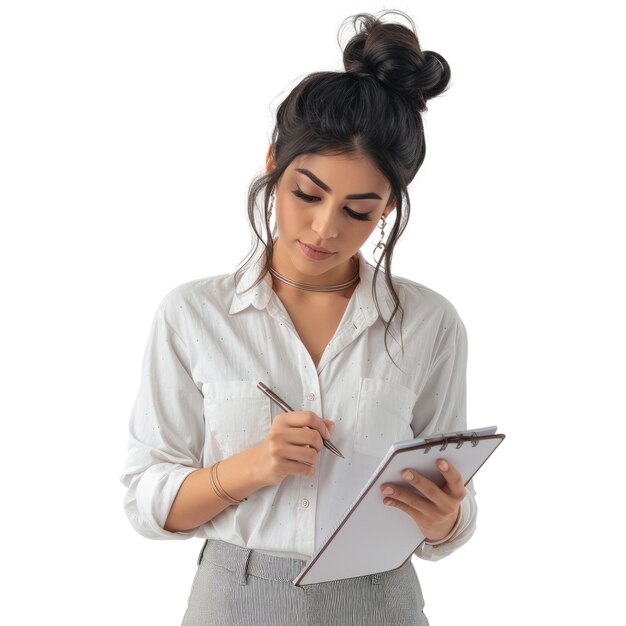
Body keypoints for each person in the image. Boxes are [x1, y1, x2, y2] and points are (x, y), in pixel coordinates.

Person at [120, 9, 478, 626]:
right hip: (237, 595)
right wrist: (253, 466)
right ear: (272, 165)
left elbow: (451, 504)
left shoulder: (429, 323)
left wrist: (447, 518)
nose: (324, 229)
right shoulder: (194, 314)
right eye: (306, 194)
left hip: (381, 599)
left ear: (388, 207)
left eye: (359, 211)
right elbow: (148, 503)